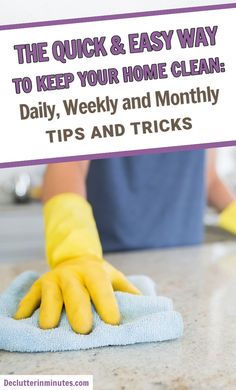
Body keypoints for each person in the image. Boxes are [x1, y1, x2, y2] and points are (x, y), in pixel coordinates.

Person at [14, 149, 236, 334]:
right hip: (108, 270)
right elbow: (66, 163)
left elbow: (208, 178)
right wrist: (75, 252)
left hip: (189, 268)